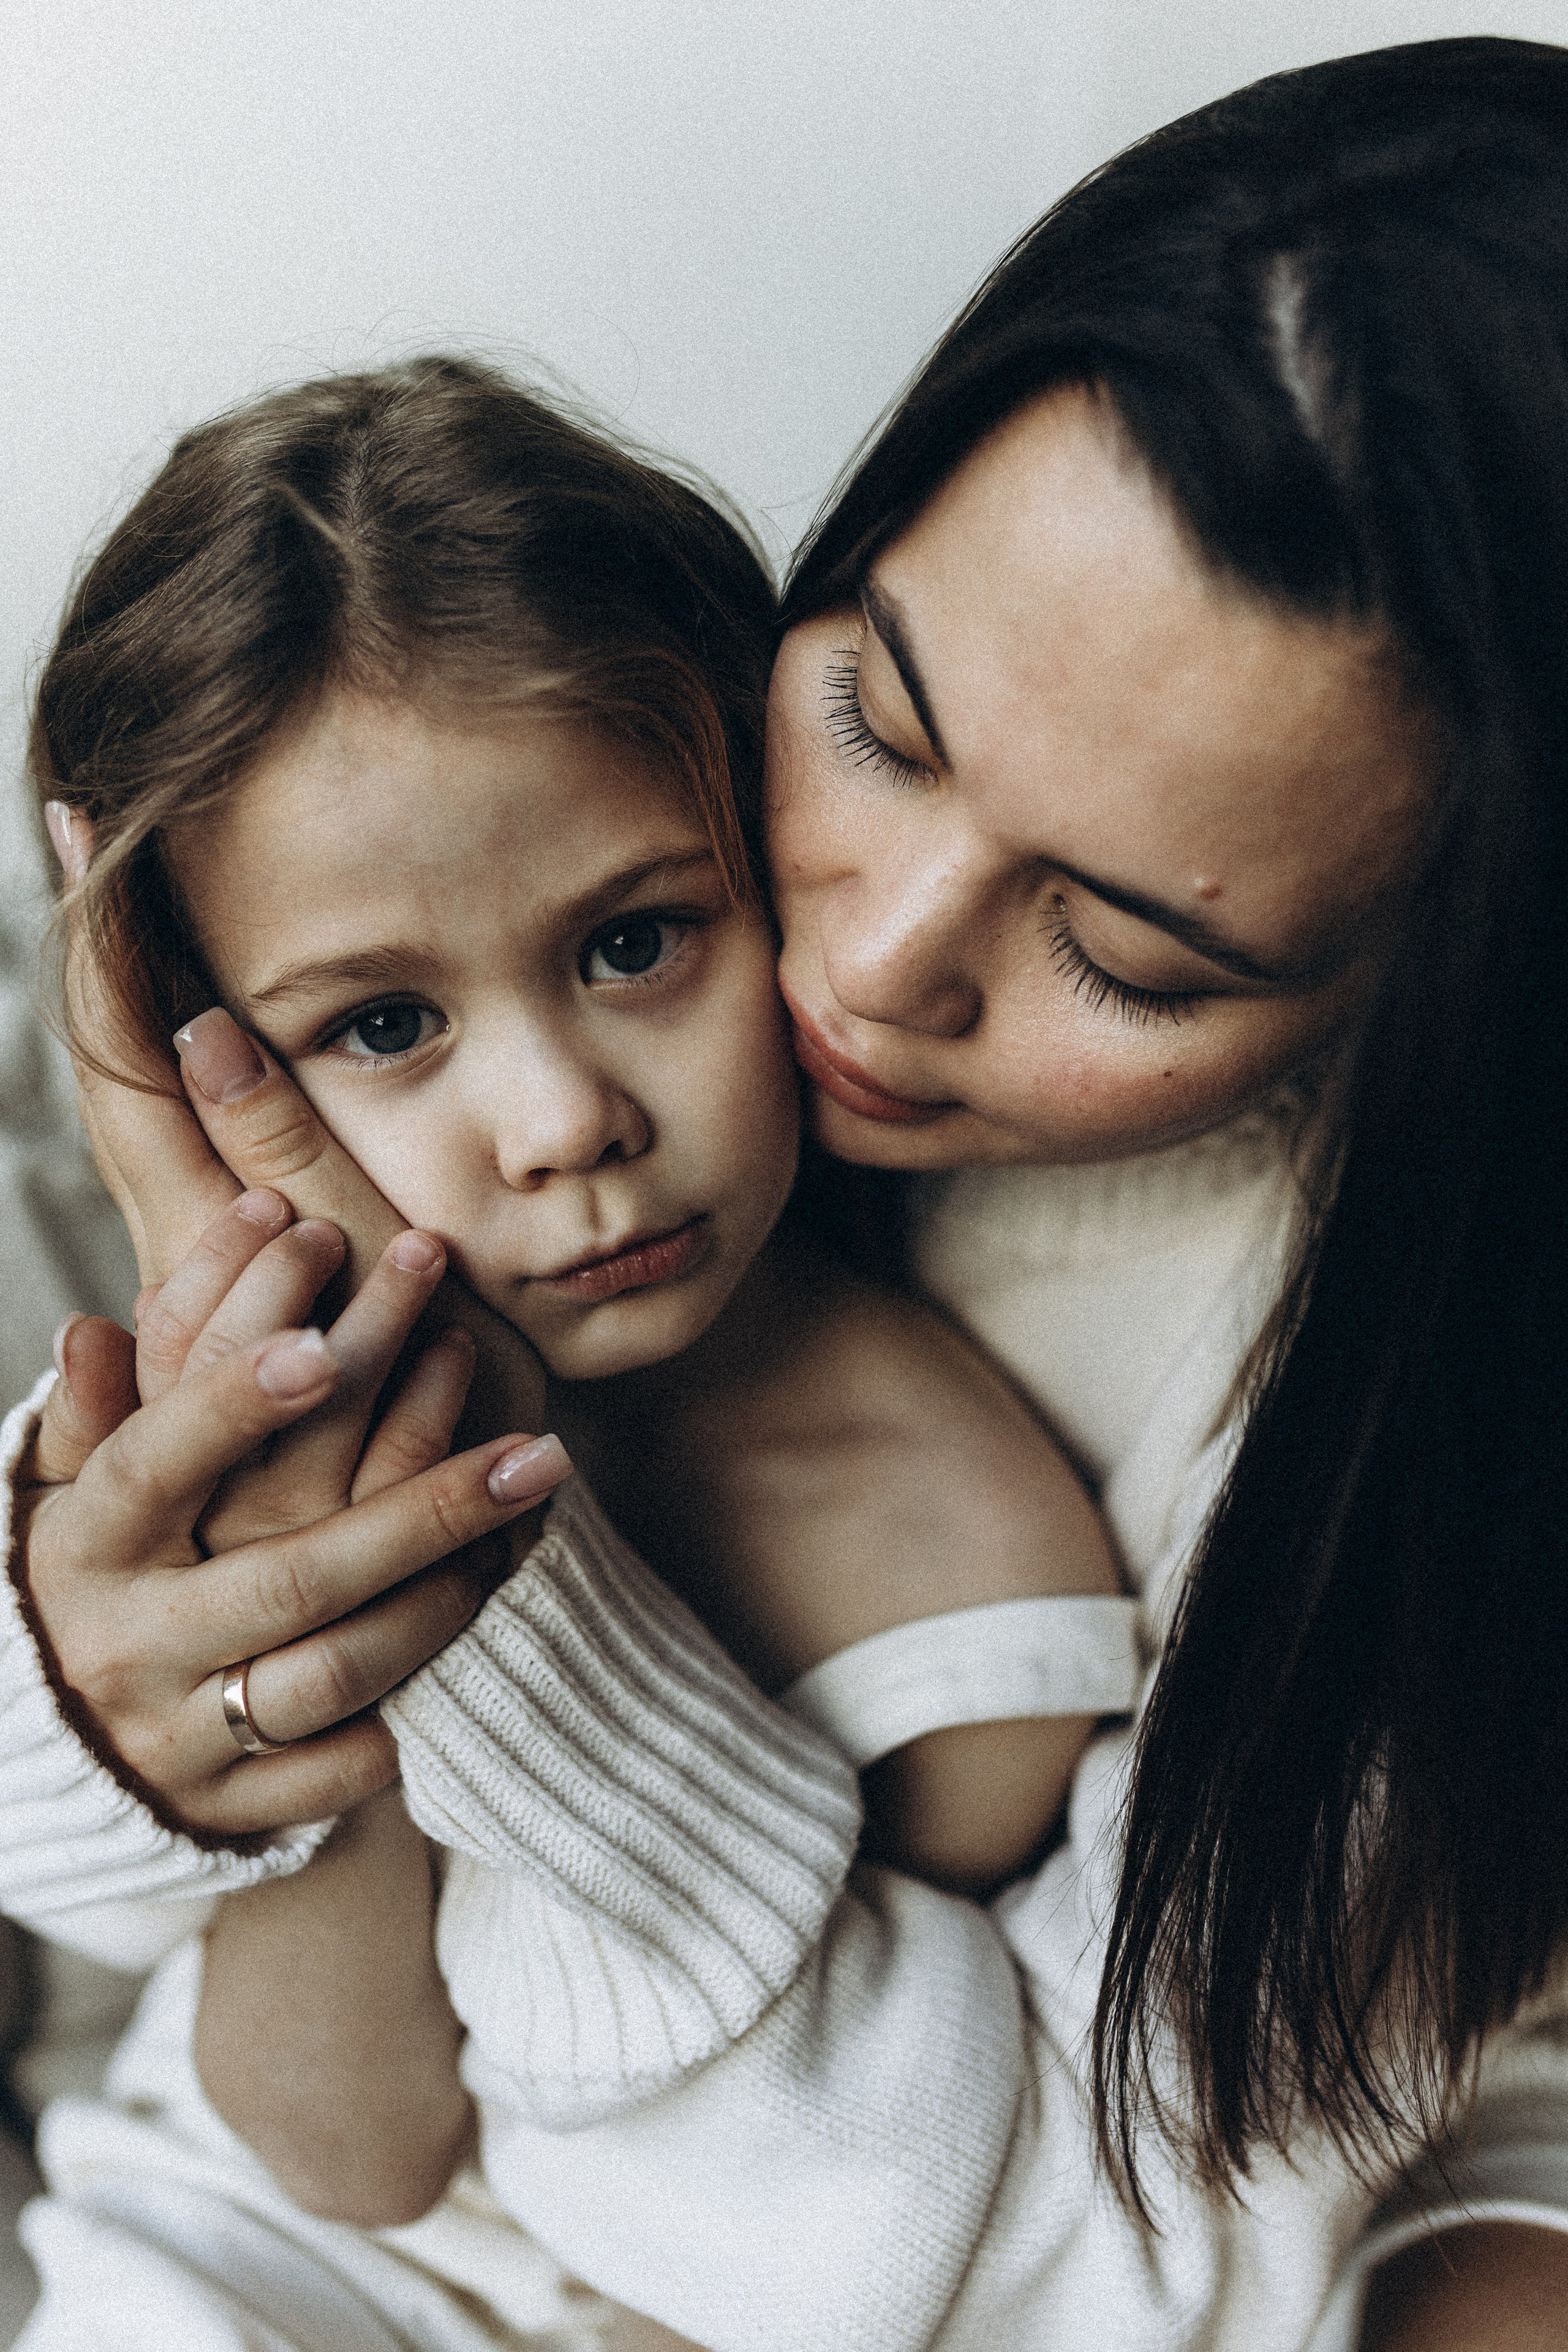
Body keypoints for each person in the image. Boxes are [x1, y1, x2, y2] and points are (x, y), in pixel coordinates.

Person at [4, 30, 1568, 2352]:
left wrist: (454, 1534)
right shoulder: (546, 803)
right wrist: (114, 1649)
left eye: (1125, 949)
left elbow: (1037, 2247)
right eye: (874, 719)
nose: (872, 955)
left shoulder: (1425, 1473)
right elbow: (216, 2028)